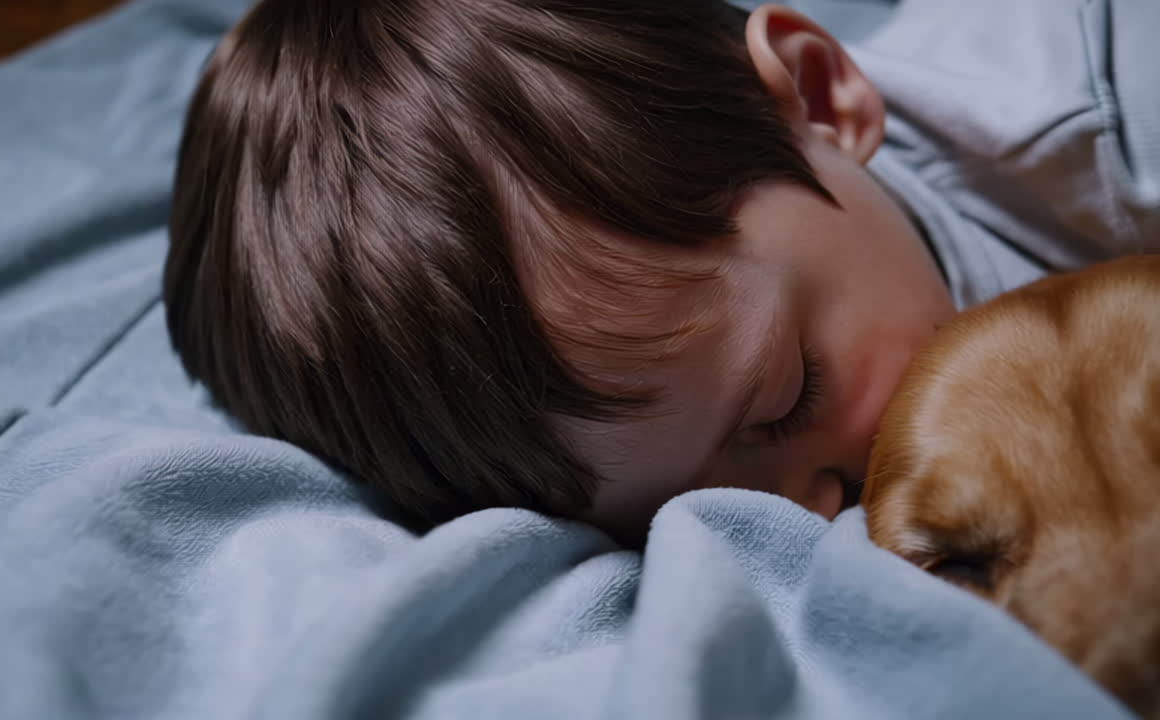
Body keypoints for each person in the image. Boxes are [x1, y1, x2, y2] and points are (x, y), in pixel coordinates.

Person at [163, 0, 1159, 545]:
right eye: (683, 512)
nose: (814, 511)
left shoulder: (1101, 121)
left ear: (817, 99)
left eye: (783, 398)